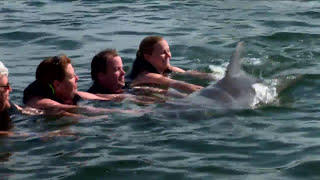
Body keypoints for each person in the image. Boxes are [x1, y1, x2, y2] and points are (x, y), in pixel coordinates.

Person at [23, 54, 136, 116]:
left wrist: (135, 98)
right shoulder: (39, 102)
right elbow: (78, 110)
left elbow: (103, 97)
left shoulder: (66, 93)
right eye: (72, 77)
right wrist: (120, 112)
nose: (77, 78)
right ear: (57, 84)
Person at [127, 36, 213, 94]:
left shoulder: (166, 68)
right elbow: (180, 85)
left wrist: (219, 77)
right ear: (148, 57)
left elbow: (190, 73)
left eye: (168, 51)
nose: (168, 55)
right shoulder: (147, 76)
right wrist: (211, 92)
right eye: (163, 53)